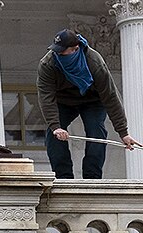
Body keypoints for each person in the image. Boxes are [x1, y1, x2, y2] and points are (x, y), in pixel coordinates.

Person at [38, 29, 141, 179]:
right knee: (53, 132)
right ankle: (63, 177)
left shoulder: (94, 62)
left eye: (62, 52)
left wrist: (123, 133)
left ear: (75, 49)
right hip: (63, 101)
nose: (58, 54)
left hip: (92, 100)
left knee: (96, 130)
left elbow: (111, 97)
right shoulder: (48, 64)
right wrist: (56, 126)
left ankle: (92, 177)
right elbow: (46, 97)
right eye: (56, 51)